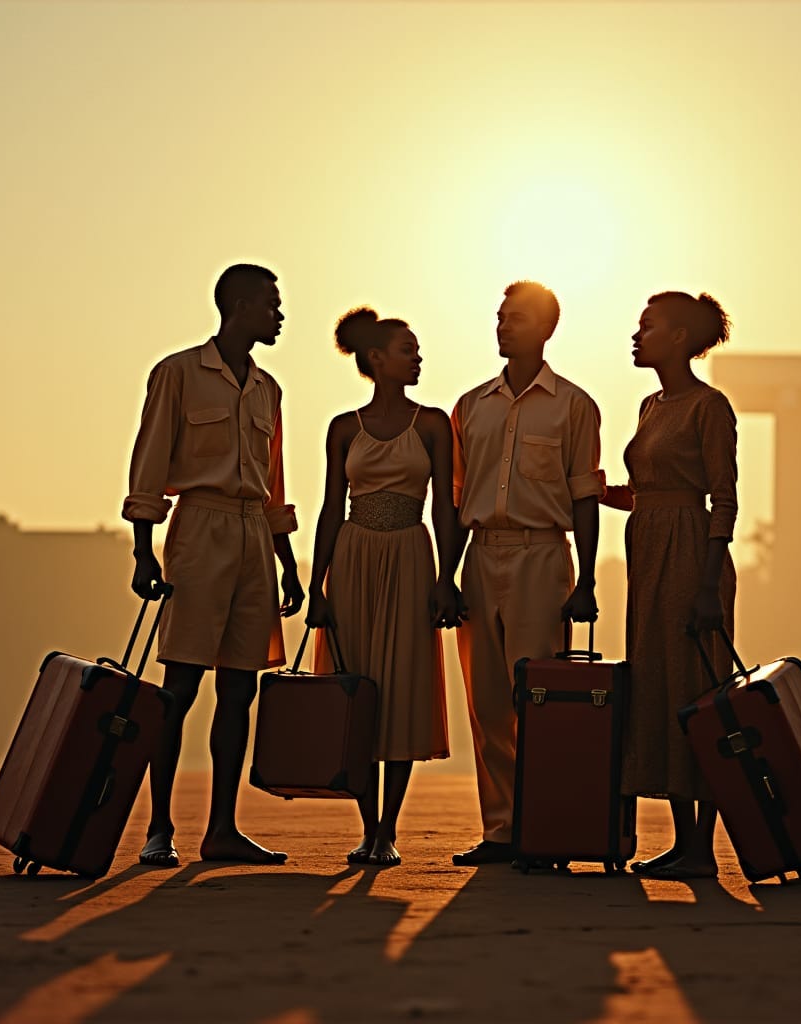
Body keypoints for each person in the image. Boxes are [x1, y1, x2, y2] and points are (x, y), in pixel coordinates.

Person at [123, 263, 304, 868]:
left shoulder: (268, 390)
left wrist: (287, 562)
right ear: (241, 305)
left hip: (255, 535)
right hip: (198, 528)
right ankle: (159, 827)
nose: (279, 315)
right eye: (271, 304)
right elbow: (149, 462)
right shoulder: (177, 373)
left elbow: (272, 484)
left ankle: (221, 829)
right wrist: (144, 548)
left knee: (239, 687)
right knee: (179, 686)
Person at [449, 281, 603, 866]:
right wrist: (448, 575)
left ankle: (543, 827)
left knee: (537, 700)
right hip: (481, 555)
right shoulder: (471, 406)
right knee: (487, 701)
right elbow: (459, 496)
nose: (502, 326)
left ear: (545, 329)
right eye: (499, 316)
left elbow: (584, 495)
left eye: (515, 318)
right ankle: (502, 831)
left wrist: (586, 579)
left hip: (543, 556)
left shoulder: (574, 406)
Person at [306, 307, 459, 867]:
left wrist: (448, 576)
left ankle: (388, 829)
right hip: (353, 557)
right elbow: (328, 508)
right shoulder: (344, 427)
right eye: (407, 349)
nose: (417, 358)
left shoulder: (434, 423)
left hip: (411, 556)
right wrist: (315, 584)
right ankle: (366, 825)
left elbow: (447, 506)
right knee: (357, 691)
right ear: (376, 359)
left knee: (402, 689)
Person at [600, 290, 737, 880]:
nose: (637, 335)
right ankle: (685, 843)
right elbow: (651, 490)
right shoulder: (651, 406)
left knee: (693, 688)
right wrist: (607, 497)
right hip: (648, 549)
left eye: (648, 326)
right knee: (657, 683)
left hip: (690, 557)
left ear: (679, 338)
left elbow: (721, 499)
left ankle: (702, 845)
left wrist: (708, 587)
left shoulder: (709, 406)